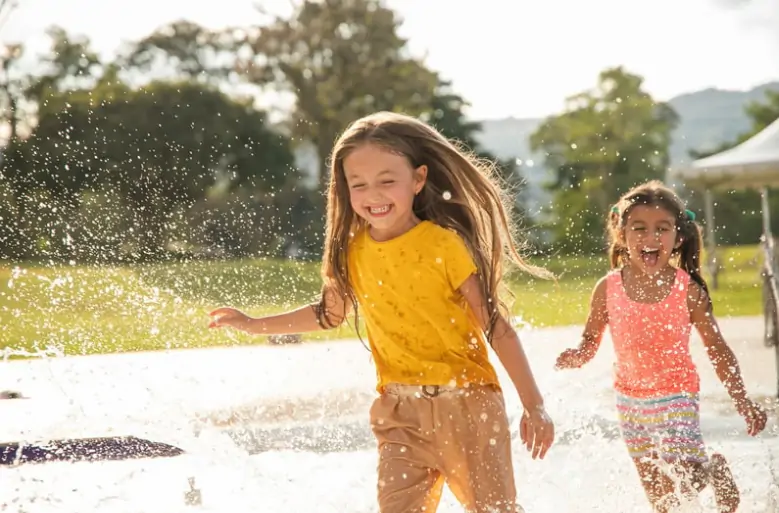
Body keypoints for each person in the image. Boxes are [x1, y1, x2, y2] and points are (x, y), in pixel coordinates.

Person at [208, 111, 555, 513]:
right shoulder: (352, 252)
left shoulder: (443, 245)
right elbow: (329, 314)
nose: (374, 195)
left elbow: (497, 329)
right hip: (399, 413)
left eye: (387, 181)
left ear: (418, 179)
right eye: (359, 185)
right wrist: (254, 325)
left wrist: (534, 405)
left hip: (468, 409)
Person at [555, 180, 768, 513]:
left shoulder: (687, 291)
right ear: (621, 233)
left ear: (677, 236)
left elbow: (717, 349)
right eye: (639, 228)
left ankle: (711, 471)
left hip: (676, 395)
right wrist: (577, 355)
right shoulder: (607, 288)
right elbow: (591, 339)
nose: (650, 238)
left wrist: (742, 400)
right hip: (630, 403)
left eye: (661, 229)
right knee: (662, 501)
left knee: (688, 478)